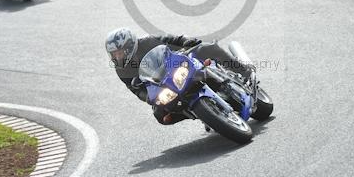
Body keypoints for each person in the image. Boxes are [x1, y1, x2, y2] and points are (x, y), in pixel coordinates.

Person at [105, 28, 254, 125]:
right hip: (163, 84)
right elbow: (136, 91)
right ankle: (200, 113)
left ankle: (244, 71)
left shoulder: (149, 41)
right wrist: (148, 97)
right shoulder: (122, 70)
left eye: (119, 52)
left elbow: (174, 39)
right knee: (160, 116)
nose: (117, 57)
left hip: (178, 65)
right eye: (114, 54)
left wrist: (187, 42)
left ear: (130, 45)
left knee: (207, 48)